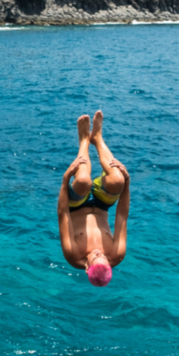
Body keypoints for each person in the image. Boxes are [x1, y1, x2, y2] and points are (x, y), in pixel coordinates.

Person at [58, 110, 131, 286]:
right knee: (117, 180)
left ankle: (83, 141)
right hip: (101, 205)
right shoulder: (117, 254)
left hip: (75, 205)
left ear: (86, 267)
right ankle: (97, 138)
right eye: (103, 256)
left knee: (83, 181)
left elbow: (62, 215)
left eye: (95, 256)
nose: (99, 252)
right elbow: (121, 217)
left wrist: (65, 179)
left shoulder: (72, 255)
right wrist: (127, 182)